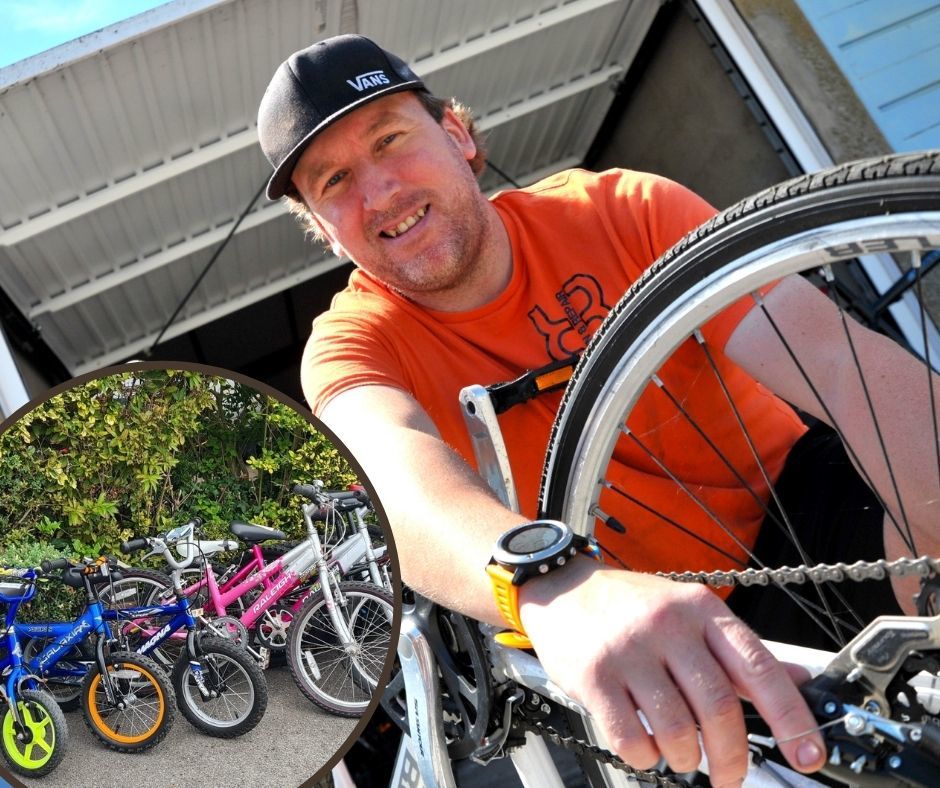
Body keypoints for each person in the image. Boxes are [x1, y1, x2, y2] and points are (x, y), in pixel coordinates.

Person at [256, 34, 939, 786]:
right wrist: (553, 585)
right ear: (323, 229)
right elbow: (392, 474)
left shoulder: (619, 209)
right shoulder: (353, 343)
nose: (379, 192)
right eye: (335, 182)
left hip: (806, 514)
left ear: (457, 134)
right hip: (635, 622)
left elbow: (837, 360)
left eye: (391, 139)